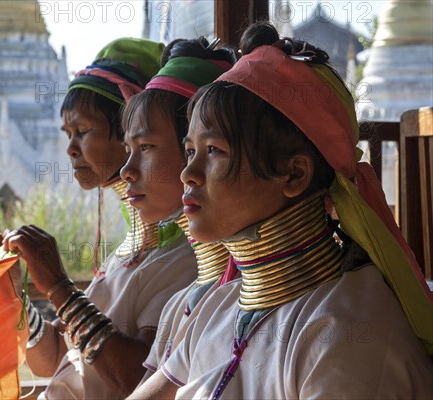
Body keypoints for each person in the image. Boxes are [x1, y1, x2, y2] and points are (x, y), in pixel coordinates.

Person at [129, 22, 433, 399]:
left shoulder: (347, 335)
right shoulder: (222, 306)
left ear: (294, 173)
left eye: (215, 152)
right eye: (190, 151)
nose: (187, 174)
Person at [0, 37, 198, 399]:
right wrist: (14, 297)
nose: (71, 149)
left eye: (83, 132)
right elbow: (57, 359)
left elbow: (138, 381)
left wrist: (59, 286)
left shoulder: (188, 258)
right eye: (67, 134)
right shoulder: (128, 250)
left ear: (126, 133)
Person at [118, 37, 236, 384]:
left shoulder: (253, 296)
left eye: (147, 146)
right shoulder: (183, 301)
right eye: (129, 148)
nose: (126, 170)